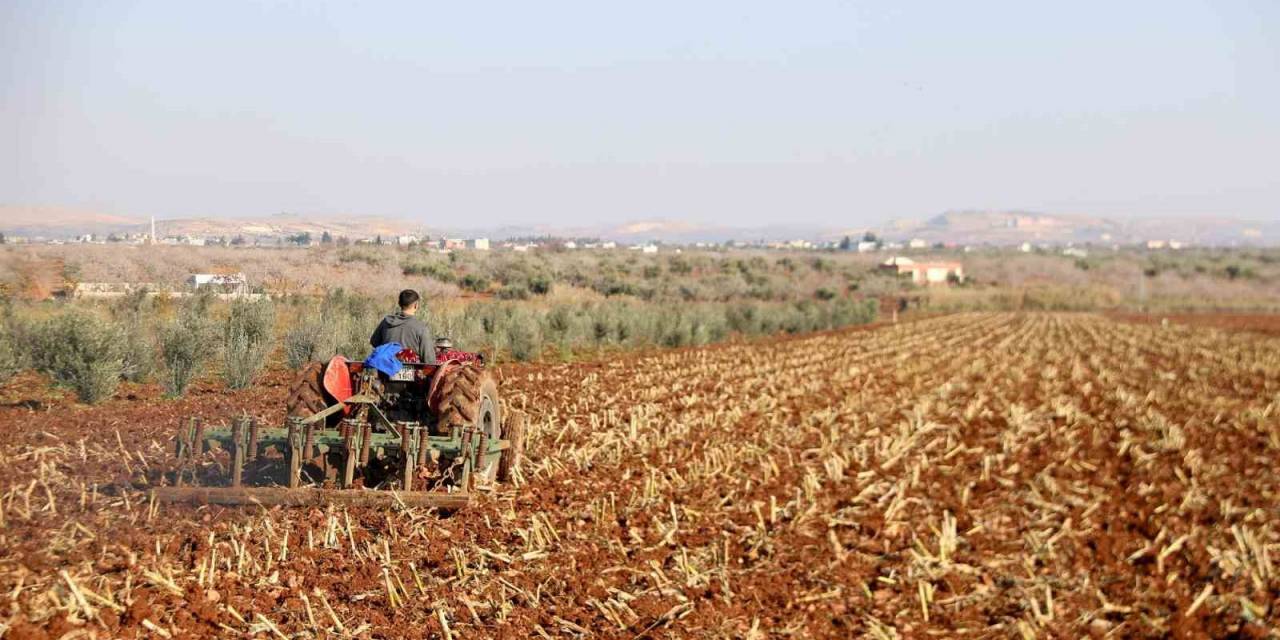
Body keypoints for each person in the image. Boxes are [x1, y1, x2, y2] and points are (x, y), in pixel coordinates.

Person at [370, 289, 437, 362]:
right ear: (416, 305)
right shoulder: (421, 327)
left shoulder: (386, 321)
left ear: (399, 303)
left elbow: (374, 342)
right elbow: (429, 359)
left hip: (386, 369)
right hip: (411, 371)